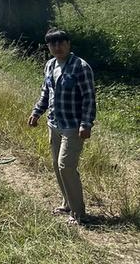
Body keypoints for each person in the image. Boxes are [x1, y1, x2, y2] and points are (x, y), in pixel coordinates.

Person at [28, 28, 96, 225]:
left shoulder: (81, 67)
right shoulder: (50, 65)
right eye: (52, 44)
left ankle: (79, 214)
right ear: (48, 46)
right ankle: (67, 203)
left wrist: (86, 123)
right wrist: (36, 112)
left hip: (73, 126)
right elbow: (45, 92)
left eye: (61, 43)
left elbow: (89, 98)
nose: (57, 47)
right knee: (57, 167)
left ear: (68, 44)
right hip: (54, 123)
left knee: (66, 166)